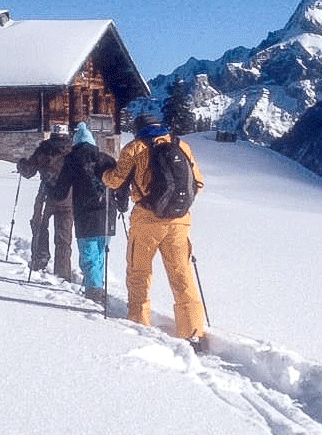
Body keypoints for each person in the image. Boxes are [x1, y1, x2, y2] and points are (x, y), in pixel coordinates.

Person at [102, 112, 208, 352]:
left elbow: (116, 181)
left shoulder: (135, 148)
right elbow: (198, 183)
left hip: (147, 219)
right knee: (182, 275)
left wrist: (104, 173)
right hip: (180, 222)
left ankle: (140, 324)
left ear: (139, 128)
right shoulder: (181, 145)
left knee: (139, 272)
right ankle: (193, 331)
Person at [48, 123, 121, 309]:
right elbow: (120, 184)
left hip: (85, 214)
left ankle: (94, 290)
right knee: (100, 252)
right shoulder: (107, 159)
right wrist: (122, 204)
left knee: (88, 255)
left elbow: (60, 192)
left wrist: (50, 185)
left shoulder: (72, 160)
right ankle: (97, 286)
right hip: (108, 214)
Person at [15, 129, 75, 281]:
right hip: (67, 198)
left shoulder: (44, 148)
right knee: (64, 237)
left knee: (39, 226)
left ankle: (40, 259)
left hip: (46, 196)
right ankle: (63, 273)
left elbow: (28, 172)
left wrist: (22, 164)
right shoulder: (72, 150)